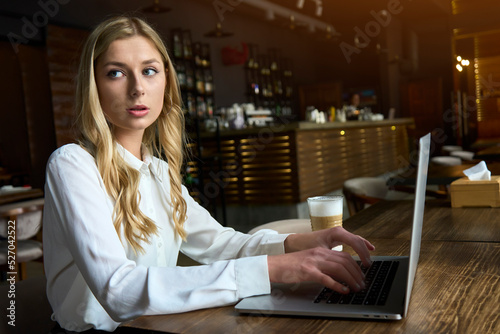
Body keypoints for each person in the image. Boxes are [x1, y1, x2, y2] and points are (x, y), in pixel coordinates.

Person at [43, 16, 375, 333]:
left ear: (166, 83)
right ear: (94, 86)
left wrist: (299, 244)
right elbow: (118, 291)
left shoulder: (158, 171)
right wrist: (273, 270)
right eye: (116, 73)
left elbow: (218, 243)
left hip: (155, 326)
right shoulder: (71, 164)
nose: (138, 88)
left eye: (149, 71)